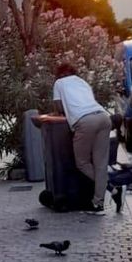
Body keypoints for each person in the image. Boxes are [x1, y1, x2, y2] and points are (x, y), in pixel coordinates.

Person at [52, 63, 121, 214]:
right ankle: (98, 203)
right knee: (101, 164)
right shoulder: (82, 82)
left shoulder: (59, 83)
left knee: (82, 163)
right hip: (103, 117)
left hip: (84, 122)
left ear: (60, 74)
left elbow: (58, 107)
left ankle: (111, 188)